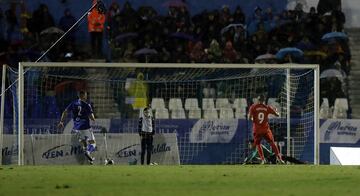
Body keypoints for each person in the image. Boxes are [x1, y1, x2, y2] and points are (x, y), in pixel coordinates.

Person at [58, 90, 96, 164]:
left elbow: (65, 112)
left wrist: (61, 122)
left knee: (84, 143)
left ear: (78, 96)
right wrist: (92, 114)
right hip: (85, 127)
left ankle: (89, 160)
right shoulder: (87, 105)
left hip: (76, 128)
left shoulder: (73, 103)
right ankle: (88, 152)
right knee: (93, 143)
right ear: (85, 96)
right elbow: (92, 118)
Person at [248, 94, 284, 164]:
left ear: (258, 100)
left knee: (258, 144)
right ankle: (279, 159)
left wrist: (254, 120)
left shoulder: (253, 107)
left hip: (257, 129)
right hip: (265, 129)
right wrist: (276, 111)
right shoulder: (267, 107)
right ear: (264, 101)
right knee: (272, 143)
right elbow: (277, 115)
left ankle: (262, 160)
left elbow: (249, 118)